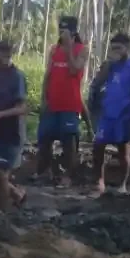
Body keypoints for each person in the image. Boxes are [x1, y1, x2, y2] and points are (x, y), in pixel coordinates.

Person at [91, 33, 130, 196]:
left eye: (118, 48)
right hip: (108, 112)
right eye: (113, 48)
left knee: (123, 148)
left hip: (124, 114)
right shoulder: (111, 66)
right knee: (98, 145)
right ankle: (99, 182)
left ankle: (122, 184)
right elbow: (97, 83)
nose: (115, 51)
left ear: (127, 48)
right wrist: (107, 65)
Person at [36, 16, 88, 186]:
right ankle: (45, 171)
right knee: (44, 138)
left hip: (70, 104)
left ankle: (69, 175)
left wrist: (68, 50)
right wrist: (43, 98)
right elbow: (47, 75)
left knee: (69, 141)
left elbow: (74, 70)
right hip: (53, 103)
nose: (61, 33)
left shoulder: (82, 49)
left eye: (64, 30)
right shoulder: (54, 49)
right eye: (60, 30)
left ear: (73, 32)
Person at [0, 41, 29, 211]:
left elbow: (22, 108)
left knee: (3, 175)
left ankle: (5, 214)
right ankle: (16, 196)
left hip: (12, 132)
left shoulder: (17, 76)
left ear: (6, 56)